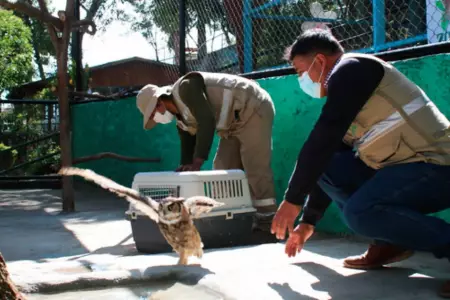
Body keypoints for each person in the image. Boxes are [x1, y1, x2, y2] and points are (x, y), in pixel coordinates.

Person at [270, 28, 450, 297]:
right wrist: (308, 221)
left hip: (438, 166)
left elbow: (324, 135)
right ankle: (390, 244)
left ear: (319, 60)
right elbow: (326, 158)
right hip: (405, 170)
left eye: (300, 71)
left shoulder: (351, 69)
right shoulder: (348, 92)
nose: (301, 79)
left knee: (360, 212)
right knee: (329, 167)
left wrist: (292, 199)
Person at [136, 71, 278, 232]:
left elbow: (206, 120)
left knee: (255, 167)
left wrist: (198, 160)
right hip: (232, 124)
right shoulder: (181, 119)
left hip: (253, 107)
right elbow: (187, 144)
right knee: (222, 169)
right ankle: (231, 219)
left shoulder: (186, 88)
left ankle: (268, 223)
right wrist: (185, 166)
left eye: (154, 114)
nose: (156, 118)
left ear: (159, 103)